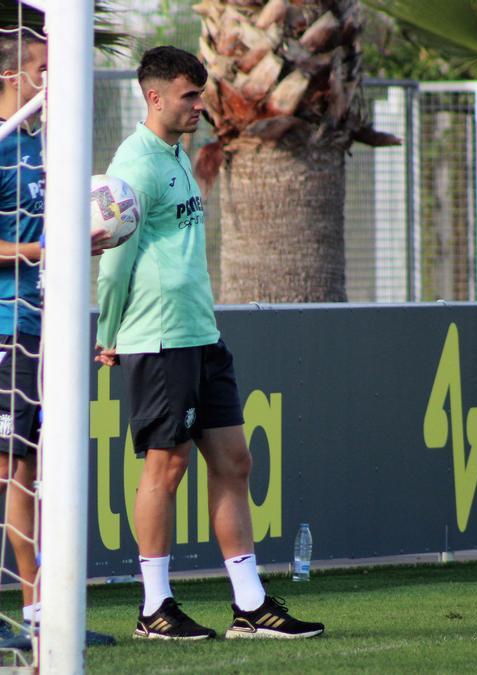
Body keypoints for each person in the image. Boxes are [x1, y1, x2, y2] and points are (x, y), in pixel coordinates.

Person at [95, 46, 326, 641]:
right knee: (165, 468)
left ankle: (250, 605)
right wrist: (109, 333)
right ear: (154, 97)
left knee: (234, 461)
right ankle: (154, 607)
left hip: (201, 332)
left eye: (200, 93)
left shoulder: (178, 154)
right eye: (188, 95)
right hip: (161, 335)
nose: (200, 105)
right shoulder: (135, 163)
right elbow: (113, 263)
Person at [0, 28, 111, 651]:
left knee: (32, 472)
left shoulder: (40, 144)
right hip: (4, 328)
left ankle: (41, 610)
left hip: (50, 328)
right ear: (16, 75)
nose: (56, 78)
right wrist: (40, 249)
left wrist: (83, 239)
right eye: (47, 67)